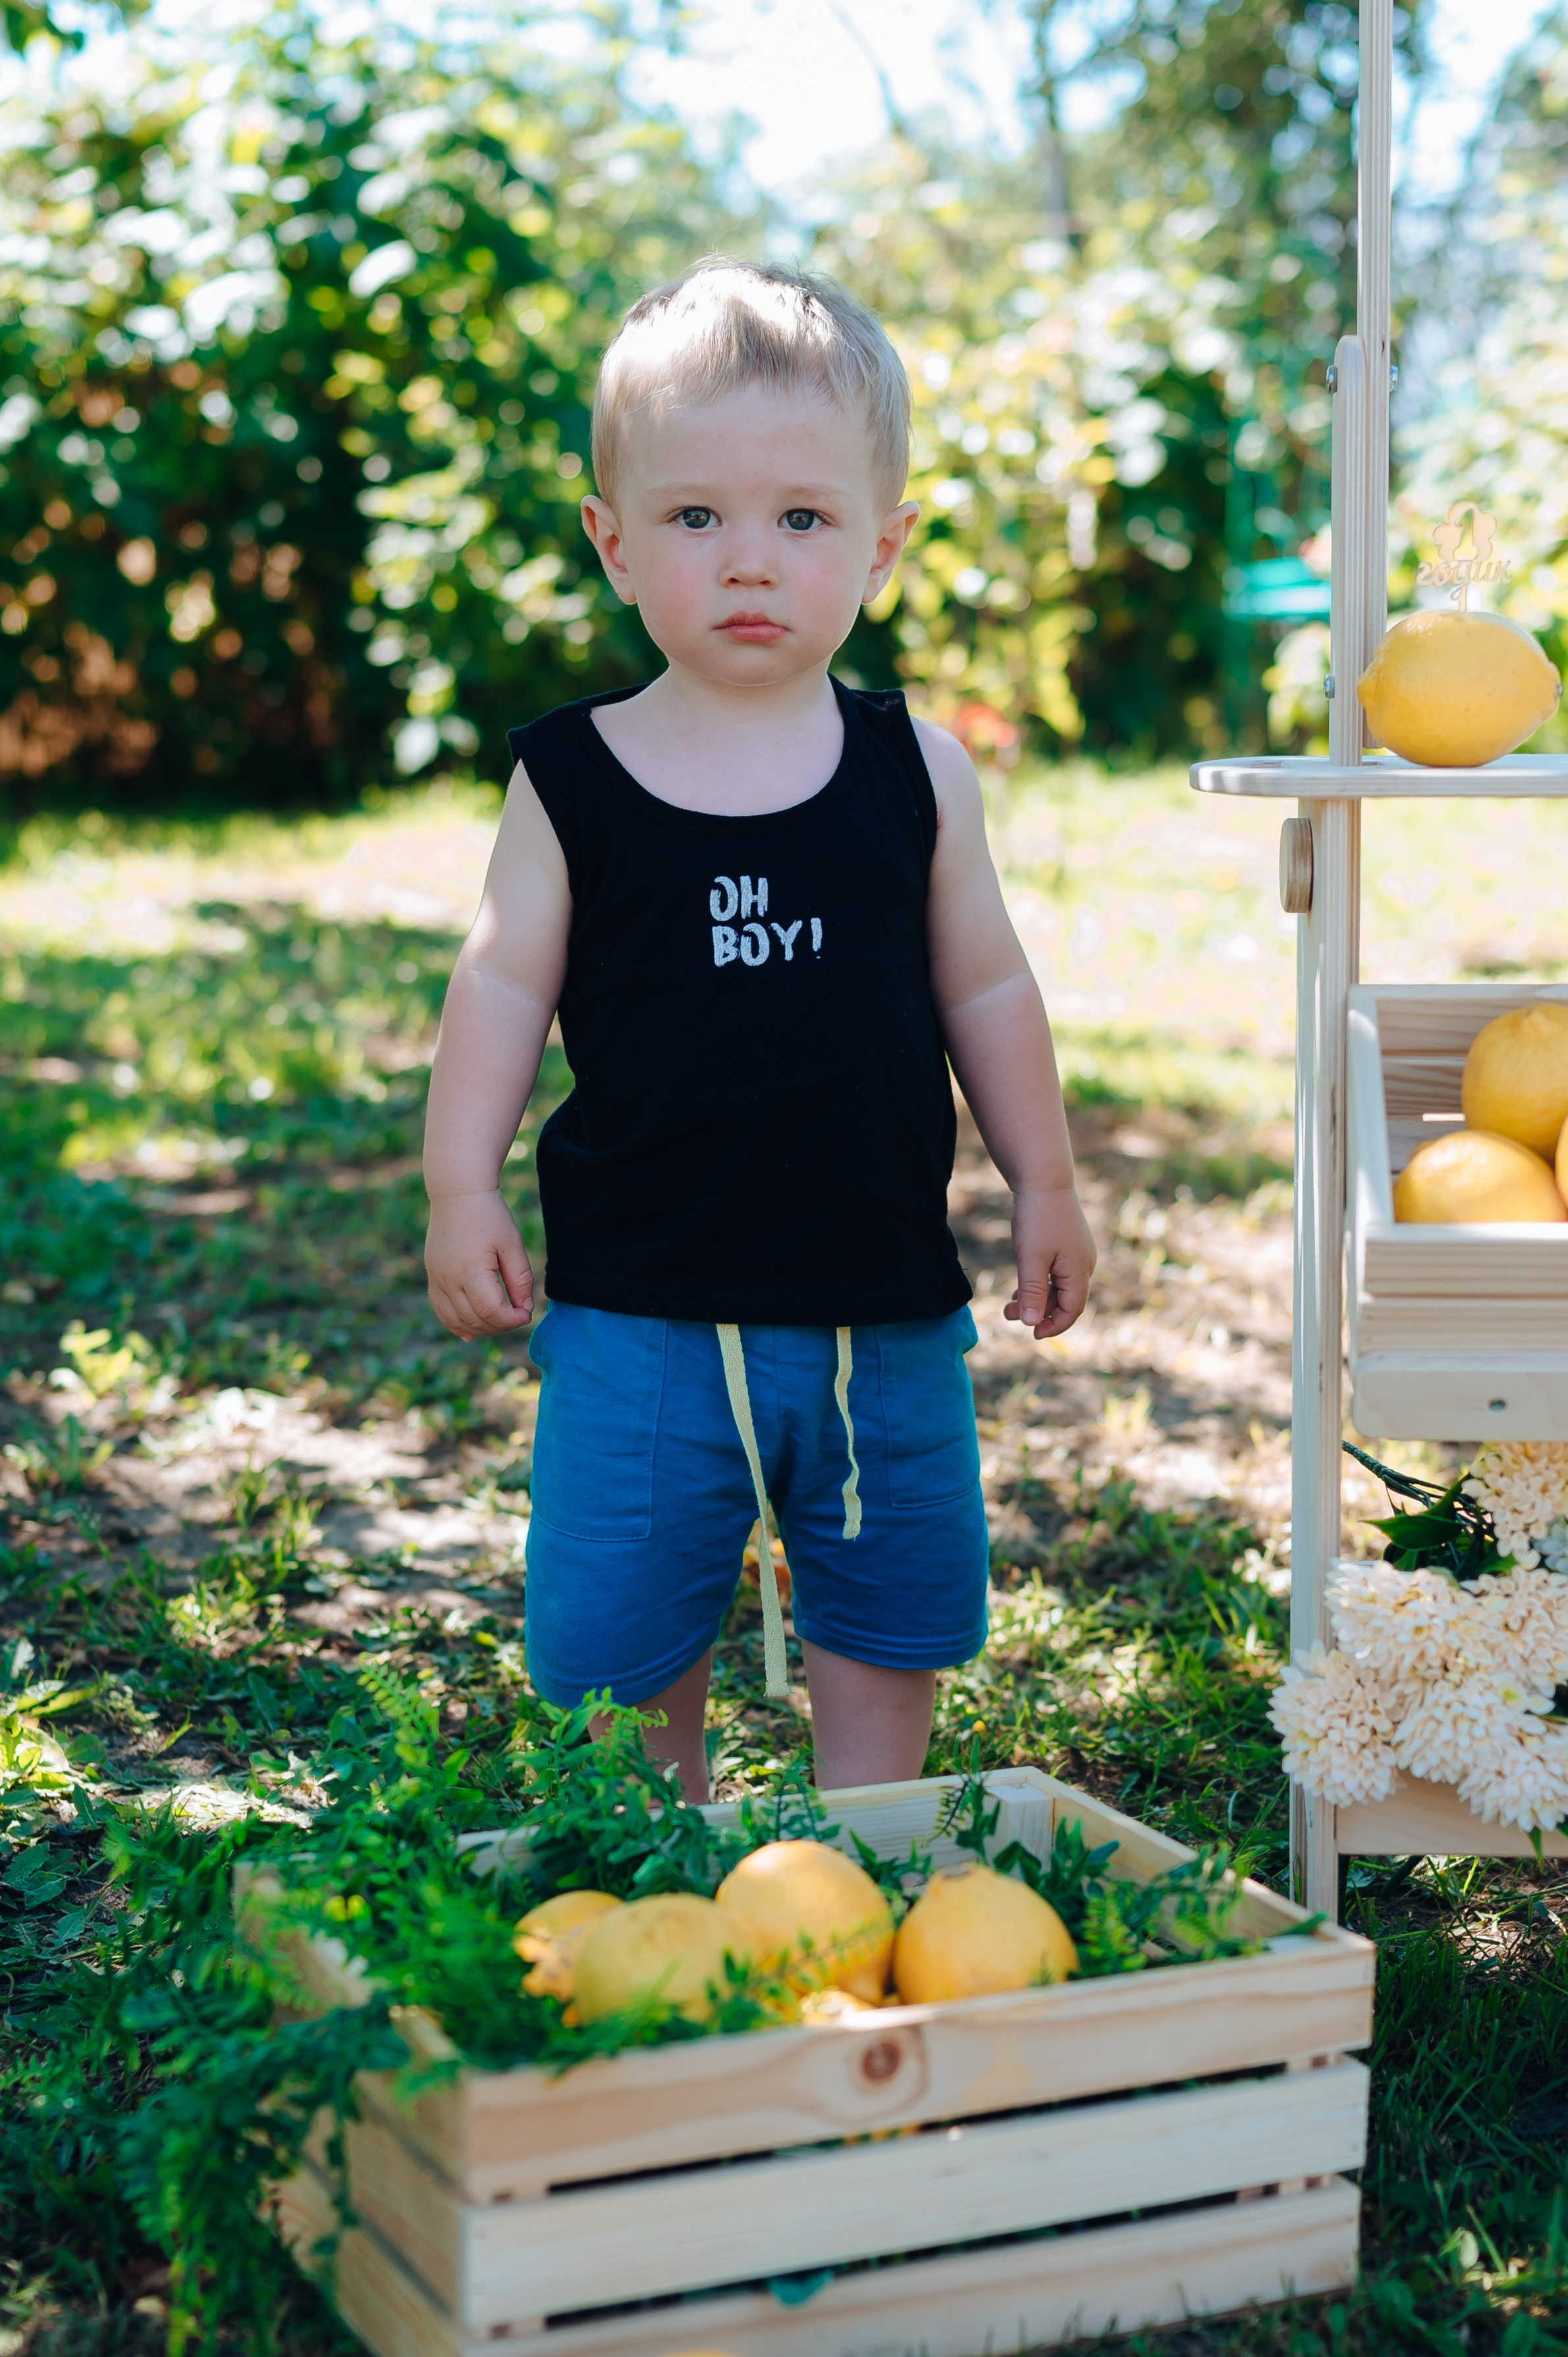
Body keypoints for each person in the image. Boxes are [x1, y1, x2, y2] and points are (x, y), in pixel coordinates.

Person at [423, 259, 1096, 1799]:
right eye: (694, 516)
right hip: (640, 1309)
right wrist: (462, 1185)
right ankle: (656, 1858)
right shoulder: (573, 777)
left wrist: (1042, 1180)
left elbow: (984, 984)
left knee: (889, 1603)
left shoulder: (915, 768)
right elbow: (502, 983)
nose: (749, 560)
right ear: (613, 541)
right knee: (625, 1619)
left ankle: (876, 1843)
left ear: (882, 545)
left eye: (802, 518)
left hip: (879, 1304)